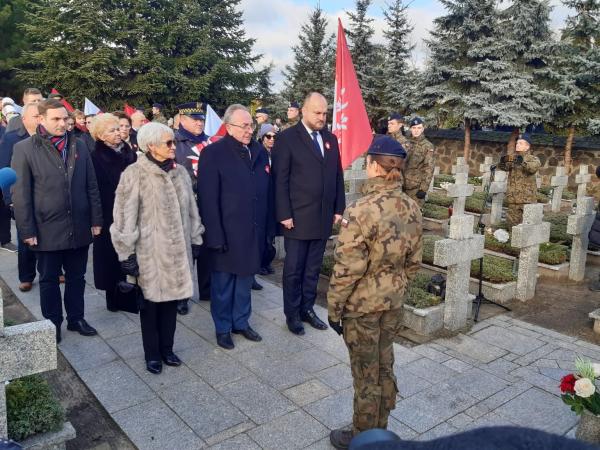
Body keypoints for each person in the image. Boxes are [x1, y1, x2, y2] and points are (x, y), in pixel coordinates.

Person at [327, 136, 422, 449]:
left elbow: (347, 269)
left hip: (362, 309)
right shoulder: (412, 207)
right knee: (384, 366)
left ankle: (365, 439)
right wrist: (395, 288)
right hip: (392, 304)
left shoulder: (360, 210)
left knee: (366, 376)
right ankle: (380, 427)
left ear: (372, 166)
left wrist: (334, 309)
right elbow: (414, 263)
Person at [111, 122, 204, 374]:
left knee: (171, 306)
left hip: (177, 255)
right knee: (150, 308)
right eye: (168, 143)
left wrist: (195, 239)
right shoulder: (134, 174)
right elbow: (122, 217)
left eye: (173, 141)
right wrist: (126, 253)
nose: (174, 147)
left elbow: (192, 212)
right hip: (149, 256)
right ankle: (152, 354)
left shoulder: (181, 173)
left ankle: (167, 349)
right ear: (150, 146)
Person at [11, 99, 103, 343]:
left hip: (79, 225)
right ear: (41, 119)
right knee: (49, 279)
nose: (62, 124)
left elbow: (91, 185)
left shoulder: (79, 145)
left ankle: (76, 318)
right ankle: (52, 323)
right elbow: (20, 193)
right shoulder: (25, 149)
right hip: (45, 228)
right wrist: (26, 229)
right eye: (56, 119)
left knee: (77, 277)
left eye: (65, 119)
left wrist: (96, 218)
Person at [197, 104, 271, 350]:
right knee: (223, 285)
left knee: (244, 281)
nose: (250, 130)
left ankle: (241, 322)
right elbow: (208, 199)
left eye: (252, 125)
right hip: (226, 232)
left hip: (252, 230)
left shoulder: (258, 152)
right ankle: (223, 327)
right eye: (245, 126)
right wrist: (214, 236)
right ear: (229, 127)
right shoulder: (214, 154)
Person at [272, 92, 346, 335]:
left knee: (313, 267)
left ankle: (307, 308)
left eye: (325, 113)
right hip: (297, 217)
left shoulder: (330, 139)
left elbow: (336, 175)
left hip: (322, 216)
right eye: (317, 112)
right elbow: (279, 179)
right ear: (303, 111)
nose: (322, 117)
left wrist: (338, 208)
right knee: (294, 269)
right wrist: (284, 213)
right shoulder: (287, 138)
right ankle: (292, 314)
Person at [89, 114, 137, 312]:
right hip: (109, 213)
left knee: (131, 254)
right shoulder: (95, 157)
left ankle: (132, 293)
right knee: (110, 258)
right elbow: (93, 189)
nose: (118, 133)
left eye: (119, 128)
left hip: (132, 210)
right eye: (112, 130)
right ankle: (113, 298)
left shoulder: (129, 152)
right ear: (100, 135)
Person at [0, 103, 41, 288]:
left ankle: (54, 271)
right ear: (24, 119)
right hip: (22, 196)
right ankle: (26, 276)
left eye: (41, 115)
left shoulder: (48, 137)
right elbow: (5, 168)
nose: (39, 119)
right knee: (26, 239)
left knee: (50, 235)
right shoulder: (11, 138)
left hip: (46, 196)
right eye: (35, 116)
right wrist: (9, 200)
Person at [174, 102, 209, 314]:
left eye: (201, 119)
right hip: (184, 205)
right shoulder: (174, 142)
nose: (199, 122)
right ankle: (182, 296)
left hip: (207, 204)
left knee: (206, 249)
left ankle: (207, 289)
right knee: (185, 252)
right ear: (182, 120)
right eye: (195, 119)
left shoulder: (209, 142)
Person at [498, 133, 541, 229]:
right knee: (512, 226)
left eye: (521, 143)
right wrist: (503, 161)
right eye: (517, 143)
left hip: (527, 200)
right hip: (513, 198)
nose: (517, 145)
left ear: (527, 147)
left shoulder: (533, 159)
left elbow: (532, 168)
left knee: (526, 228)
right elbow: (504, 167)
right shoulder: (513, 158)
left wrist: (522, 162)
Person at [257, 123, 277, 277]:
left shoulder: (276, 153)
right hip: (261, 200)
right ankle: (259, 264)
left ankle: (267, 262)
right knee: (262, 235)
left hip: (274, 199)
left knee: (271, 235)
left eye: (274, 137)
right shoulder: (258, 153)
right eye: (268, 136)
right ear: (262, 138)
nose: (271, 139)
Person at [403, 117, 435, 206]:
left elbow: (429, 168)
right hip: (401, 185)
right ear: (410, 129)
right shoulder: (405, 143)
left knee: (414, 216)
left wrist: (423, 189)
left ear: (423, 129)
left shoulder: (428, 146)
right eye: (414, 128)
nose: (416, 130)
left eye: (419, 128)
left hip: (415, 188)